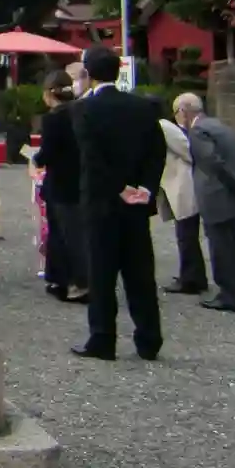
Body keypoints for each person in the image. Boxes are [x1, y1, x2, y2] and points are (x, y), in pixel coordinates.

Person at [71, 45, 167, 361]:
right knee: (140, 272)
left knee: (101, 273)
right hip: (137, 203)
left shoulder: (84, 109)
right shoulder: (142, 107)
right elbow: (157, 152)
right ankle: (149, 339)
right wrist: (145, 188)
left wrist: (118, 187)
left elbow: (92, 158)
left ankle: (103, 338)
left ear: (89, 73)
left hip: (101, 202)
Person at [177, 93, 235, 313]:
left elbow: (213, 164)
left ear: (184, 112)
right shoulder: (221, 126)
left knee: (222, 249)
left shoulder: (198, 132)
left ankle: (230, 296)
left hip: (220, 199)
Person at [33, 69, 87, 303]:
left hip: (60, 181)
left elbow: (48, 152)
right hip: (79, 179)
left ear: (49, 93)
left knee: (63, 234)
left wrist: (35, 159)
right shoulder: (82, 111)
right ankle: (63, 280)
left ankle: (75, 282)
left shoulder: (53, 118)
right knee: (71, 232)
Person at [159, 95, 206, 295]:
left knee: (186, 235)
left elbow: (188, 151)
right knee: (186, 234)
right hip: (181, 186)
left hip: (183, 186)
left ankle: (191, 278)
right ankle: (194, 275)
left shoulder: (166, 128)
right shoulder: (172, 128)